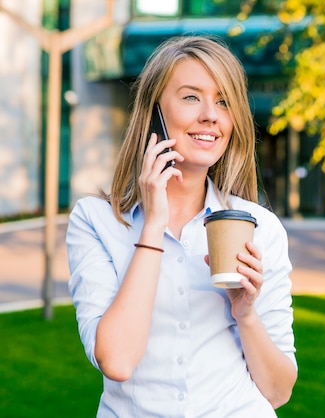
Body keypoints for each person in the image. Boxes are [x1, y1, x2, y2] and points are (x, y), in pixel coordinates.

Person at [66, 36, 297, 417]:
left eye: (223, 101)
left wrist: (246, 314)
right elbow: (118, 362)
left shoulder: (261, 228)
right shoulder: (95, 221)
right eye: (191, 97)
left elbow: (277, 392)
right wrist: (153, 225)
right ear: (154, 112)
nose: (211, 115)